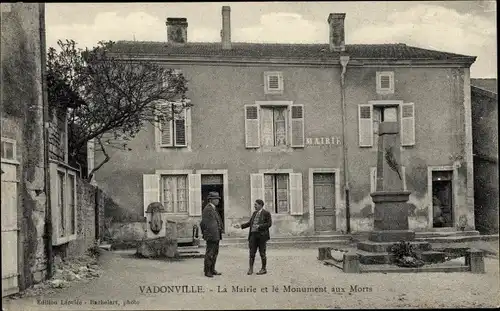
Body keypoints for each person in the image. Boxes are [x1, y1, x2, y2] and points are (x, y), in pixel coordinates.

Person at [234, 199, 272, 275]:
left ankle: (263, 269)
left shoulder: (266, 213)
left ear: (260, 205)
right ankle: (250, 269)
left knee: (262, 253)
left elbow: (269, 224)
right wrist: (241, 226)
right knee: (251, 253)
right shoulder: (254, 213)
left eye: (256, 204)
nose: (254, 206)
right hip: (253, 236)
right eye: (254, 205)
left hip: (262, 237)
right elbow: (249, 223)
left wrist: (260, 226)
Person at [200, 192, 223, 278]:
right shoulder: (208, 209)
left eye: (218, 199)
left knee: (214, 253)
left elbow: (217, 220)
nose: (218, 200)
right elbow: (204, 223)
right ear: (211, 200)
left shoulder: (213, 208)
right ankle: (207, 271)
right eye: (216, 199)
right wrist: (206, 234)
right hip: (211, 235)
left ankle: (212, 269)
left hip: (216, 235)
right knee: (210, 253)